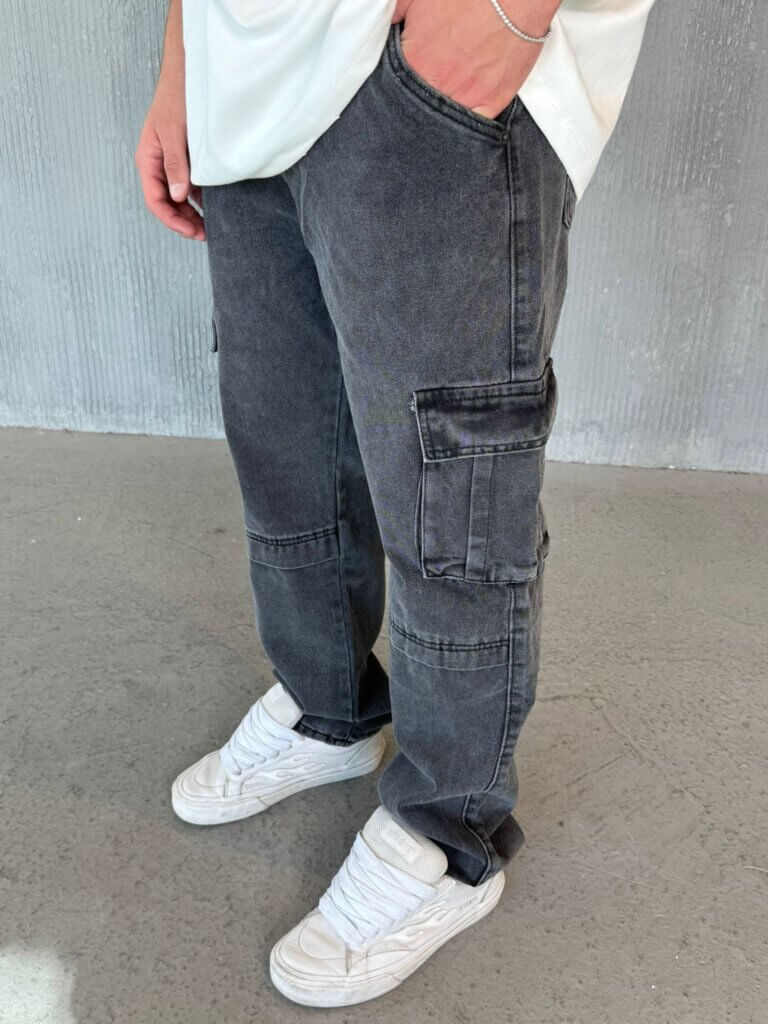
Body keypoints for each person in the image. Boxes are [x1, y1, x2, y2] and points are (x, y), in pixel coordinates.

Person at [136, 0, 655, 1007]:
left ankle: (445, 829)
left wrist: (499, 17)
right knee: (285, 438)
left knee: (449, 501)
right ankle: (329, 707)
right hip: (242, 78)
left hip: (421, 75)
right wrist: (181, 58)